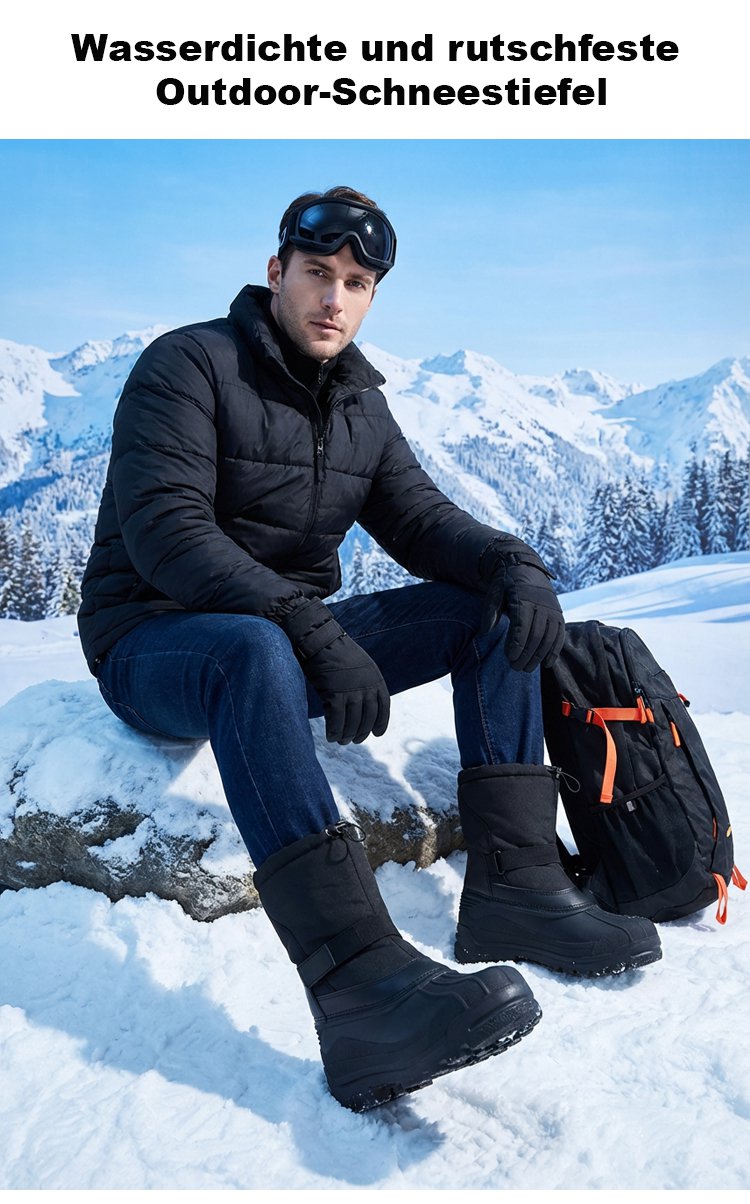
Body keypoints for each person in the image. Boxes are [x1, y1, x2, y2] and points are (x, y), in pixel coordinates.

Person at [78, 186, 661, 1112]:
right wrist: (309, 628)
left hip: (281, 637)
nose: (334, 300)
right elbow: (167, 534)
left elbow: (422, 520)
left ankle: (517, 888)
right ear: (277, 271)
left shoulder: (358, 403)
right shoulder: (188, 365)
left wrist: (515, 564)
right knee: (253, 649)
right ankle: (358, 988)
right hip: (157, 643)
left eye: (357, 285)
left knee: (485, 609)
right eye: (317, 273)